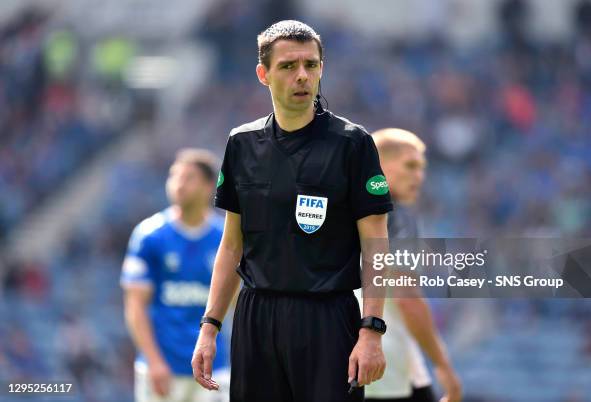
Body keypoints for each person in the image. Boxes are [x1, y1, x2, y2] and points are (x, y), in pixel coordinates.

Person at [191, 20, 393, 402]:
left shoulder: (353, 144)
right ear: (263, 74)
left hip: (328, 319)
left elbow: (376, 246)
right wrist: (210, 327)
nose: (302, 76)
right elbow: (232, 245)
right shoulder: (242, 143)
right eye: (288, 66)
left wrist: (371, 330)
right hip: (256, 317)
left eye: (311, 65)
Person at [121, 149, 230, 402]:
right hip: (162, 369)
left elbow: (235, 302)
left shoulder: (225, 239)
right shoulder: (149, 236)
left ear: (207, 187)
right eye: (174, 177)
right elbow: (135, 305)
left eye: (188, 178)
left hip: (213, 367)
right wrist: (154, 361)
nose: (178, 184)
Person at [364, 128, 462, 402]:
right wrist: (443, 365)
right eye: (410, 165)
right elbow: (407, 297)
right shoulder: (397, 217)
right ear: (379, 165)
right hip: (384, 365)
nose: (419, 176)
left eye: (421, 168)